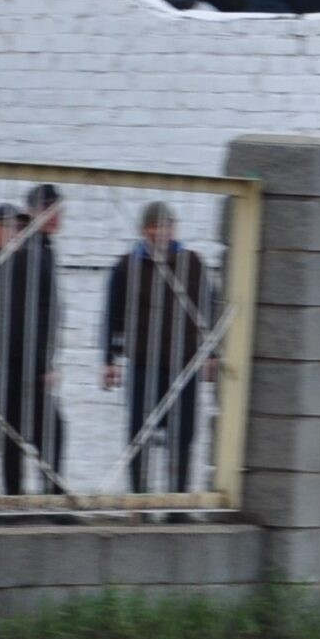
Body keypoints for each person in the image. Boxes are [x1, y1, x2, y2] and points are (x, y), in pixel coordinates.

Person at [102, 203, 218, 500]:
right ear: (144, 230)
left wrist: (212, 353)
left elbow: (210, 310)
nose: (162, 232)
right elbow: (112, 316)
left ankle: (176, 502)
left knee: (183, 435)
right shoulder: (127, 267)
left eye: (167, 226)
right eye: (155, 226)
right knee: (139, 435)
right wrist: (109, 360)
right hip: (143, 365)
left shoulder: (192, 264)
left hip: (184, 364)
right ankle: (139, 500)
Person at [0, 194, 69, 505]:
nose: (13, 233)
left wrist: (46, 360)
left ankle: (51, 498)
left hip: (29, 367)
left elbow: (50, 311)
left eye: (18, 227)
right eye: (6, 226)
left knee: (51, 431)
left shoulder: (34, 261)